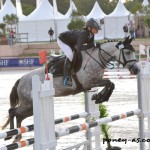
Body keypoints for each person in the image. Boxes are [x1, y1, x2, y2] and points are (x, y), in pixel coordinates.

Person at [57, 18, 101, 87]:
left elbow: (90, 47)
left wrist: (96, 46)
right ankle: (65, 78)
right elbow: (80, 48)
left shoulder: (91, 34)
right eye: (96, 28)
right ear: (90, 27)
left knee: (77, 55)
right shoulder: (84, 33)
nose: (97, 30)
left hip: (71, 42)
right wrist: (93, 45)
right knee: (70, 55)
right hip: (62, 39)